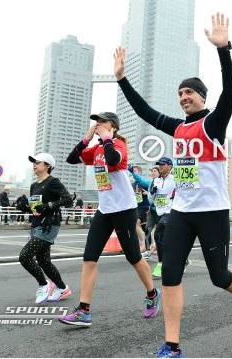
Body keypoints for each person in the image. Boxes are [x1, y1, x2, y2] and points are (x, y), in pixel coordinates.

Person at [114, 12, 232, 357]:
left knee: (220, 277)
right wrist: (122, 80)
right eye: (180, 93)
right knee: (170, 276)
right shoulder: (178, 129)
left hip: (211, 212)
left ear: (201, 96)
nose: (183, 97)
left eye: (189, 92)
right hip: (181, 212)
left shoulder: (214, 123)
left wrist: (224, 50)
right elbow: (145, 112)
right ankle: (172, 346)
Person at [59, 111, 161, 326]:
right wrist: (87, 138)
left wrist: (106, 138)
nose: (97, 124)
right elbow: (71, 159)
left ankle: (152, 294)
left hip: (124, 209)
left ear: (113, 125)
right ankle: (84, 310)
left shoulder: (118, 144)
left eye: (101, 121)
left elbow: (114, 159)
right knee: (89, 257)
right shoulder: (96, 148)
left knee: (133, 256)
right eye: (96, 122)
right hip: (105, 210)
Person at [19, 153, 73, 303]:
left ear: (47, 166)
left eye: (37, 162)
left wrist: (48, 205)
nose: (34, 165)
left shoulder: (53, 182)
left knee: (24, 256)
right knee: (44, 261)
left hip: (49, 225)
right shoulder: (34, 186)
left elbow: (68, 198)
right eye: (33, 163)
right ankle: (62, 288)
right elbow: (36, 209)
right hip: (37, 225)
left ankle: (44, 284)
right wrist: (24, 208)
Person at [130, 165, 149, 254]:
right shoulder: (132, 184)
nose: (134, 173)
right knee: (139, 227)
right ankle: (144, 247)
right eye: (133, 171)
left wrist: (147, 193)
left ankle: (143, 245)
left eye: (136, 171)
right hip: (135, 207)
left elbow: (153, 192)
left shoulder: (144, 183)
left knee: (137, 223)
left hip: (144, 207)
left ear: (140, 173)